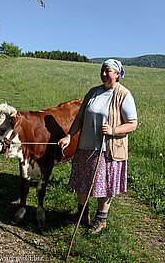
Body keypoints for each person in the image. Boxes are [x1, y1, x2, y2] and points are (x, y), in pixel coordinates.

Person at [58, 59, 137, 234]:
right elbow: (79, 118)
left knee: (104, 185)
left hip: (107, 149)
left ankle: (101, 220)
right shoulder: (93, 92)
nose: (103, 74)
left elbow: (132, 124)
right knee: (81, 182)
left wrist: (113, 130)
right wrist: (69, 137)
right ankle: (82, 215)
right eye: (102, 70)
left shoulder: (123, 95)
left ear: (117, 74)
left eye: (107, 71)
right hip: (85, 146)